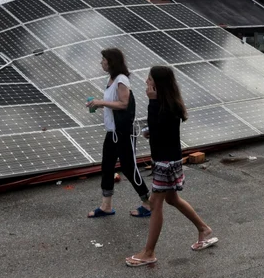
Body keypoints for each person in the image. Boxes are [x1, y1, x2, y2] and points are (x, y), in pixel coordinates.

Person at [125, 66, 218, 267]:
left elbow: (162, 128)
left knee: (155, 204)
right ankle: (204, 229)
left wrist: (151, 102)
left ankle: (149, 252)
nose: (146, 82)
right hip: (167, 159)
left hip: (165, 162)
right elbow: (162, 129)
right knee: (172, 199)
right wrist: (151, 128)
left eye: (149, 79)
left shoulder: (163, 105)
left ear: (157, 84)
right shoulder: (167, 103)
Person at [86, 48, 151, 219]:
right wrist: (100, 104)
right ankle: (106, 206)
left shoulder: (122, 80)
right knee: (107, 166)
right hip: (112, 132)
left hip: (123, 132)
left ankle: (147, 202)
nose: (101, 62)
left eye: (103, 59)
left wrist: (101, 102)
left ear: (111, 61)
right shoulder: (111, 80)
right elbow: (114, 103)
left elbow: (123, 103)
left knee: (129, 167)